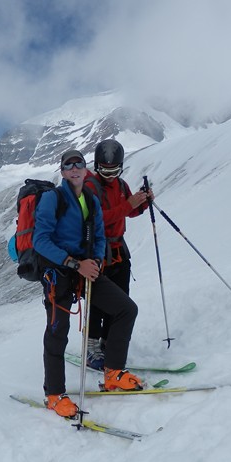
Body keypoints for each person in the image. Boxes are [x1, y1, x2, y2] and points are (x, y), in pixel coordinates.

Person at [33, 149, 143, 418]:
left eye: (78, 164)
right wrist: (74, 263)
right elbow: (40, 240)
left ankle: (113, 372)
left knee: (125, 309)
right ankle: (54, 394)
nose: (74, 169)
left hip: (86, 269)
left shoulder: (90, 199)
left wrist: (95, 259)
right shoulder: (52, 198)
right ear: (62, 172)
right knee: (58, 331)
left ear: (85, 169)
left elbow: (98, 235)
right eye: (68, 165)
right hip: (59, 274)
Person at [82, 139, 154, 370]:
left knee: (121, 299)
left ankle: (106, 343)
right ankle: (91, 349)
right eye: (105, 170)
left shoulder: (121, 186)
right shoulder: (89, 186)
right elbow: (97, 219)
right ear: (97, 166)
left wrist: (142, 203)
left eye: (114, 170)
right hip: (97, 253)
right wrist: (130, 204)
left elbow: (127, 211)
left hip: (119, 252)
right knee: (97, 303)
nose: (110, 175)